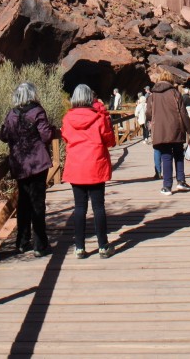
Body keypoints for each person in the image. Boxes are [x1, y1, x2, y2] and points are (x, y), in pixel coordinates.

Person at [0, 82, 55, 257]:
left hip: (20, 163)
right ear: (32, 94)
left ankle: (22, 242)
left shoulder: (11, 114)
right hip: (37, 163)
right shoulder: (37, 111)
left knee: (23, 202)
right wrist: (52, 131)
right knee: (37, 202)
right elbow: (46, 135)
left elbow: (3, 136)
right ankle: (40, 245)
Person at [61, 84, 116, 258]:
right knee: (98, 207)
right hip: (95, 165)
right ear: (90, 98)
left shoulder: (68, 118)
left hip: (77, 165)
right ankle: (103, 246)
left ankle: (79, 247)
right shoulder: (99, 117)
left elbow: (65, 137)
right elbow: (110, 140)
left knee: (79, 207)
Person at [146, 67, 190, 195]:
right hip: (176, 128)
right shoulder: (175, 93)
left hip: (160, 130)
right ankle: (181, 182)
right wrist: (189, 128)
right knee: (178, 154)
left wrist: (150, 121)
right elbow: (183, 112)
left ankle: (167, 187)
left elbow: (149, 113)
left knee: (166, 156)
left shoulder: (153, 95)